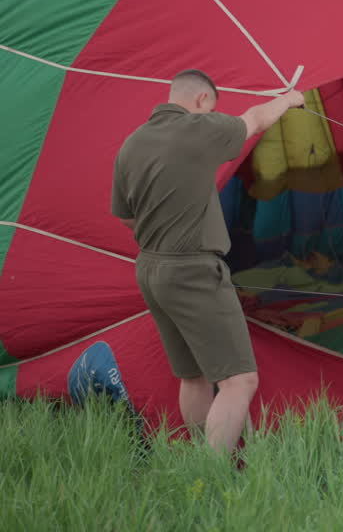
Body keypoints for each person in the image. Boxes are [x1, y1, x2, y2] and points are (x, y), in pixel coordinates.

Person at [111, 69, 304, 454]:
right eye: (210, 108)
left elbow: (126, 216)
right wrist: (289, 99)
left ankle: (199, 465)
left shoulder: (131, 144)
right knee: (240, 380)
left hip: (151, 269)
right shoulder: (199, 129)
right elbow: (255, 119)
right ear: (201, 101)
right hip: (194, 270)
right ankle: (210, 476)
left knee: (193, 376)